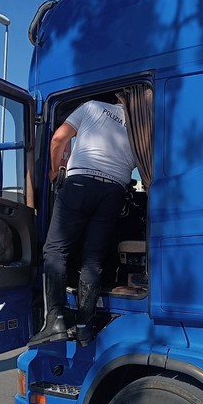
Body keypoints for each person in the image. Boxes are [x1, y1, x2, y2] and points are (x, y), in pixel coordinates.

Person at [28, 98, 135, 347]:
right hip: (114, 191)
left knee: (56, 250)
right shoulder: (138, 123)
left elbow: (58, 138)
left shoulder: (92, 107)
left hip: (80, 183)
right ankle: (84, 326)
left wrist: (55, 170)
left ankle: (55, 320)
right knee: (93, 259)